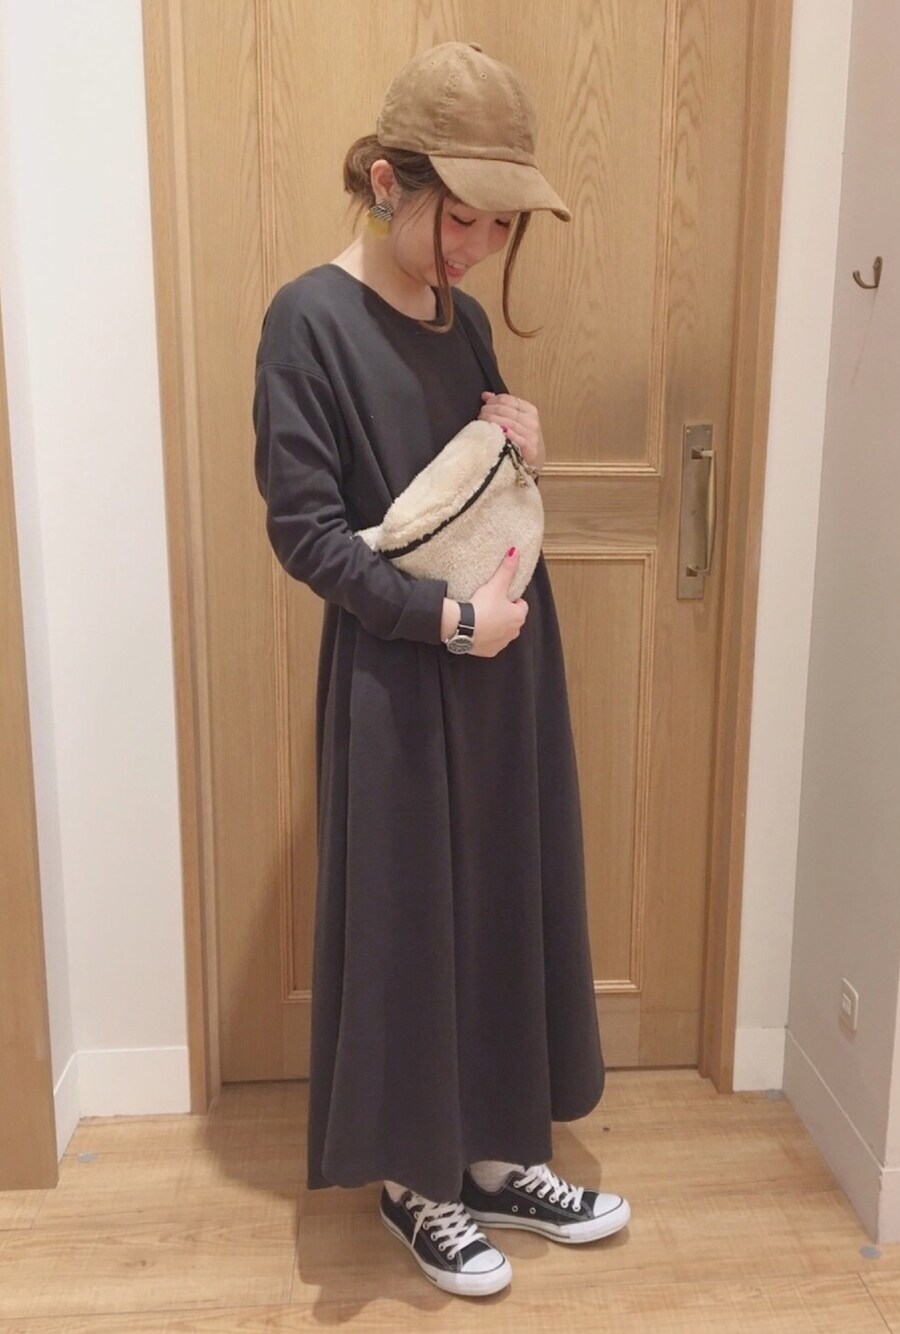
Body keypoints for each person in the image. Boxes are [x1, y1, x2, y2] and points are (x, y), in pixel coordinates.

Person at [252, 40, 630, 1298]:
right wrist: (447, 623)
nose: (476, 247)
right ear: (384, 181)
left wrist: (523, 439)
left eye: (498, 225)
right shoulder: (308, 320)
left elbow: (472, 485)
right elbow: (307, 533)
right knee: (412, 912)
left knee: (500, 896)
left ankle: (494, 1154)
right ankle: (416, 1184)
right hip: (405, 667)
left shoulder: (461, 321)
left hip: (503, 653)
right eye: (460, 217)